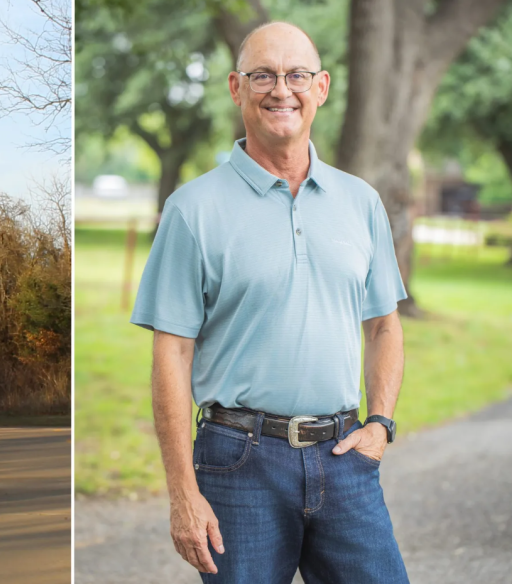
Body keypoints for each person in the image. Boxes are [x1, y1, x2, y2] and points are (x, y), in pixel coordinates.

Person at [130, 21, 409, 583]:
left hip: (344, 455)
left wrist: (379, 425)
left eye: (297, 75)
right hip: (238, 462)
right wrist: (183, 493)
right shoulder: (193, 210)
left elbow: (383, 325)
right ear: (236, 88)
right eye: (263, 75)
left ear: (322, 87)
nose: (281, 89)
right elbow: (172, 354)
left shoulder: (361, 202)